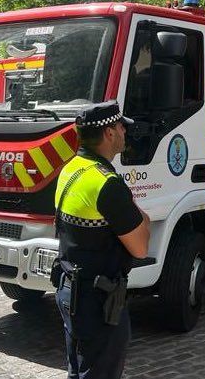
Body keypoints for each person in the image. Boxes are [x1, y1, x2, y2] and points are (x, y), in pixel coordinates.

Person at [53, 101, 150, 379]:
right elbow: (141, 247)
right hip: (99, 302)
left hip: (71, 290)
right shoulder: (108, 184)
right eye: (121, 126)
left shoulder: (71, 169)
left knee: (79, 371)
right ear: (109, 133)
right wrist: (138, 212)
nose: (124, 131)